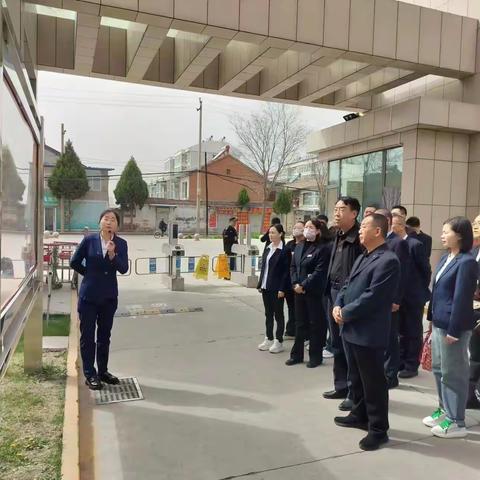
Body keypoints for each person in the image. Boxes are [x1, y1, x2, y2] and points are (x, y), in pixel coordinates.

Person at [333, 213, 400, 451]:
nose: (360, 230)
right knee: (357, 378)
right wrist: (338, 304)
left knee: (374, 383)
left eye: (363, 226)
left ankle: (378, 430)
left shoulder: (388, 261)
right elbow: (348, 284)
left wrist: (347, 312)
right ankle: (360, 415)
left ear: (378, 231)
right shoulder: (364, 256)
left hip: (368, 332)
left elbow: (373, 298)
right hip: (351, 328)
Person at [424, 217, 477, 438]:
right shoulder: (446, 257)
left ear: (461, 236)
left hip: (453, 328)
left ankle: (457, 421)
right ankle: (445, 410)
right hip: (439, 323)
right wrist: (431, 318)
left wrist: (454, 330)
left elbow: (462, 299)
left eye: (447, 232)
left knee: (453, 373)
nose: (443, 235)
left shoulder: (467, 262)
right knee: (438, 369)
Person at [70, 209, 129, 390]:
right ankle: (90, 374)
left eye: (113, 220)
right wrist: (88, 275)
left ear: (117, 225)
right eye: (106, 219)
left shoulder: (121, 244)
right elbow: (74, 261)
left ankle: (103, 371)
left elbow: (124, 268)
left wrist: (113, 255)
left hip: (109, 297)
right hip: (89, 297)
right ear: (100, 223)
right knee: (88, 337)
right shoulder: (89, 241)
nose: (109, 222)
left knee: (104, 336)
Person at [323, 196, 363, 412]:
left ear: (354, 213)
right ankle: (340, 385)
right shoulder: (337, 235)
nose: (337, 213)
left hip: (347, 296)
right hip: (332, 292)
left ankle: (353, 392)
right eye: (335, 208)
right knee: (337, 344)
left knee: (349, 347)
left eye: (342, 209)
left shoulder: (358, 238)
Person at [285, 219, 331, 368]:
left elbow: (319, 271)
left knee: (315, 324)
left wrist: (303, 285)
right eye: (305, 227)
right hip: (298, 291)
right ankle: (296, 355)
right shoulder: (299, 246)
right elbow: (293, 267)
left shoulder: (322, 248)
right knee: (300, 324)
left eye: (310, 227)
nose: (306, 229)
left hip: (313, 292)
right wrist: (294, 284)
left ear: (318, 230)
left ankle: (315, 357)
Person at [391, 214, 431, 378]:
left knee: (412, 331)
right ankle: (400, 361)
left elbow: (425, 271)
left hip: (413, 297)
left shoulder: (415, 244)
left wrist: (419, 290)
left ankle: (411, 364)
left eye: (393, 224)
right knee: (400, 331)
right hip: (398, 296)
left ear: (400, 225)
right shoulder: (392, 244)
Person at [377, 208, 410, 389]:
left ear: (388, 221)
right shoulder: (378, 241)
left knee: (391, 338)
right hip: (378, 298)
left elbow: (403, 274)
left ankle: (391, 375)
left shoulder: (398, 243)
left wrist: (396, 299)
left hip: (391, 300)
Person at [257, 224, 289, 354]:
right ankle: (268, 338)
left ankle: (278, 341)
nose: (270, 235)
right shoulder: (268, 248)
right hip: (266, 287)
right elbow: (264, 269)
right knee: (268, 314)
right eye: (269, 233)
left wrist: (282, 289)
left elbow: (286, 272)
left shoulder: (284, 250)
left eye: (273, 232)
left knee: (278, 315)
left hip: (277, 288)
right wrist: (260, 284)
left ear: (280, 234)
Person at [283, 222, 305, 339]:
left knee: (300, 309)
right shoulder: (289, 244)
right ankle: (291, 329)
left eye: (299, 228)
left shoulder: (305, 245)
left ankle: (300, 331)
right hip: (289, 280)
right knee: (291, 307)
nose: (295, 229)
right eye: (294, 227)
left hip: (300, 281)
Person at [468, 214, 480, 409]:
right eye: (475, 222)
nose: (475, 225)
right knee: (473, 356)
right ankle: (470, 397)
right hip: (471, 310)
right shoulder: (473, 251)